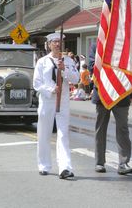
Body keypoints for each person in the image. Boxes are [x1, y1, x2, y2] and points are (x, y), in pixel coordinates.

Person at [33, 33, 80, 179]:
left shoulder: (68, 60)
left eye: (59, 42)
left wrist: (64, 69)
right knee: (44, 133)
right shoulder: (42, 62)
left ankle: (65, 167)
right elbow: (37, 84)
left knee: (63, 134)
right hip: (47, 101)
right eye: (54, 42)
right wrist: (51, 90)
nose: (57, 44)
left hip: (63, 101)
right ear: (48, 44)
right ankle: (44, 165)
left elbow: (76, 78)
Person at [88, 43, 132, 175]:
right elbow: (92, 67)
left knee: (123, 128)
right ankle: (99, 162)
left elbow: (131, 68)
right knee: (101, 128)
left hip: (121, 93)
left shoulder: (123, 44)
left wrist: (131, 92)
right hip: (103, 92)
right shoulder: (97, 46)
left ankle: (124, 163)